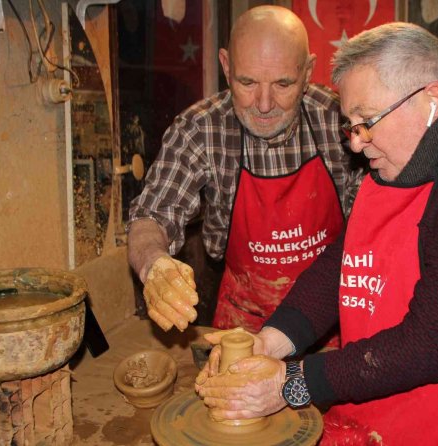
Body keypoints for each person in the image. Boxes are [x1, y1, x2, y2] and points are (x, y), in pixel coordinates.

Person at [195, 22, 438, 446]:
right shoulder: (403, 160)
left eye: (366, 122)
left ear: (431, 102)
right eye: (350, 126)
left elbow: (430, 343)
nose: (357, 143)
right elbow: (343, 263)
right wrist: (270, 342)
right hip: (386, 396)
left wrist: (290, 383)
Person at [128, 6, 363, 333]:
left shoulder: (343, 123)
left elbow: (382, 218)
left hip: (329, 319)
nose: (264, 104)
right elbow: (151, 214)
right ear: (226, 66)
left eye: (283, 84)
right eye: (247, 82)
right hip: (243, 319)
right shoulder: (200, 130)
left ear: (308, 71)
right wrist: (154, 264)